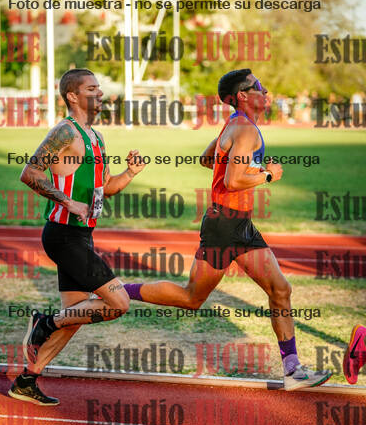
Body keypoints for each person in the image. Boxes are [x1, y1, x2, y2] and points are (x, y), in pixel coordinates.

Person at [125, 68, 331, 390]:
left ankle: (292, 370)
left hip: (240, 225)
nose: (265, 90)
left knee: (280, 290)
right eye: (258, 86)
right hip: (223, 226)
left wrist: (238, 163)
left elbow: (207, 159)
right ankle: (119, 291)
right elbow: (233, 181)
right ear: (243, 96)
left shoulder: (236, 124)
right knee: (192, 298)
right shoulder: (244, 129)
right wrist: (268, 175)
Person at [8, 68, 146, 405]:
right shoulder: (64, 131)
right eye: (92, 88)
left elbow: (106, 188)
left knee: (73, 317)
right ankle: (43, 323)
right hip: (63, 235)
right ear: (72, 95)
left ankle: (26, 380)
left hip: (83, 236)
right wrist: (67, 202)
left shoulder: (95, 136)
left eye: (99, 88)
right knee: (118, 303)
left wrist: (130, 173)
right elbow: (29, 172)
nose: (100, 93)